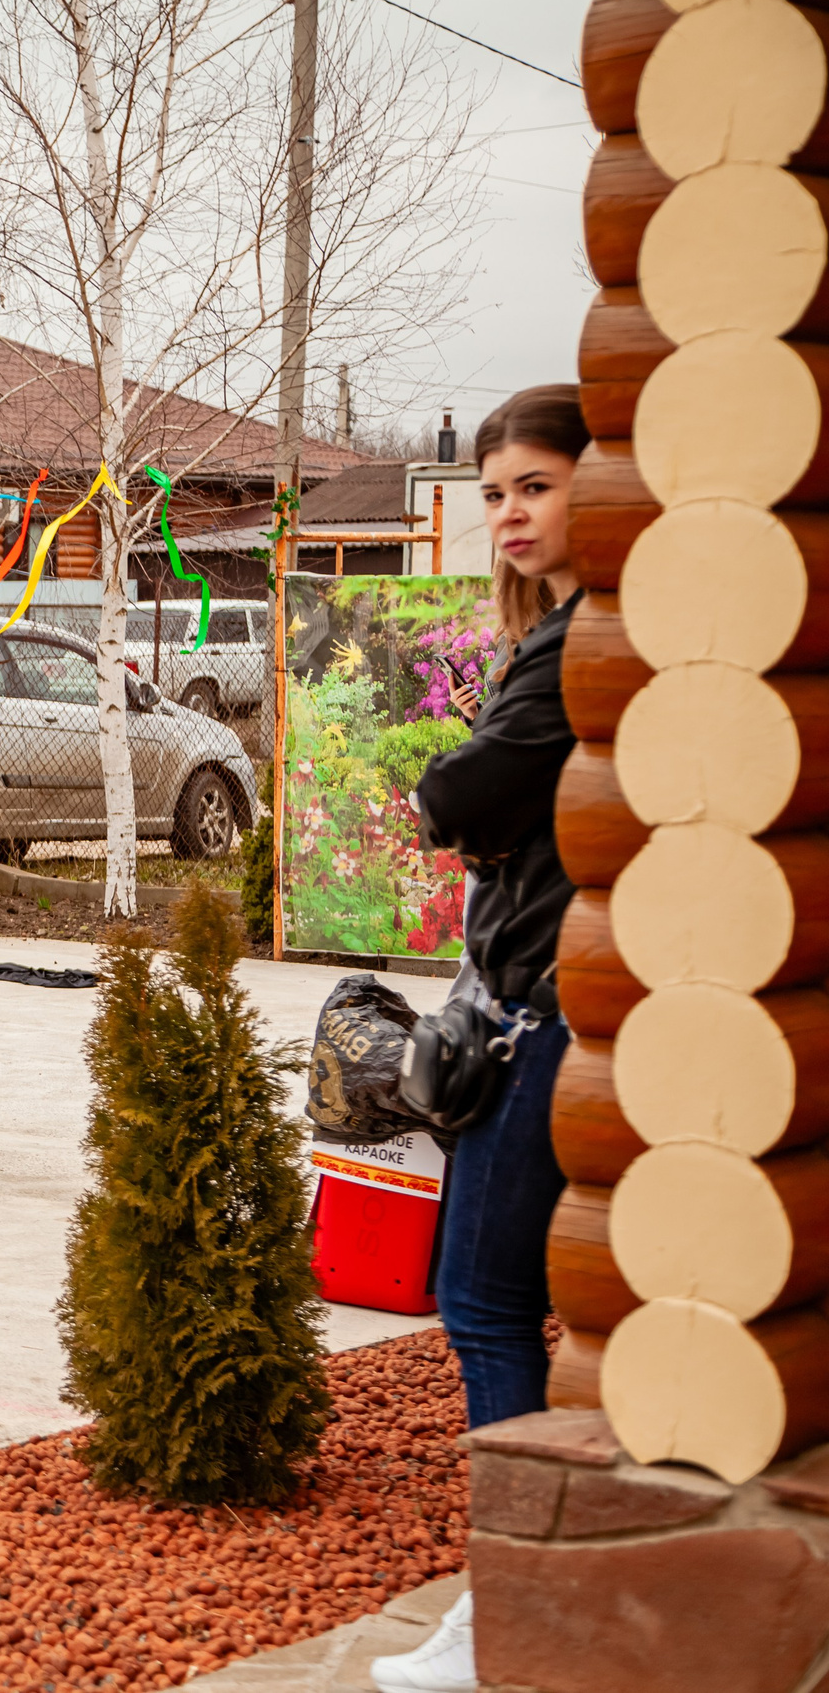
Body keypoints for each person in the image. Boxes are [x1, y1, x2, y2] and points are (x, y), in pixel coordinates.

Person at [372, 385, 587, 1693]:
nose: (509, 510)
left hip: (544, 1013)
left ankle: (507, 1607)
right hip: (537, 999)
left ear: (598, 490)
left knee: (488, 1299)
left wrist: (471, 797)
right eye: (495, 489)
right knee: (488, 1298)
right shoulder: (558, 636)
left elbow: (457, 792)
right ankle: (513, 1596)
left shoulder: (580, 644)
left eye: (537, 486)